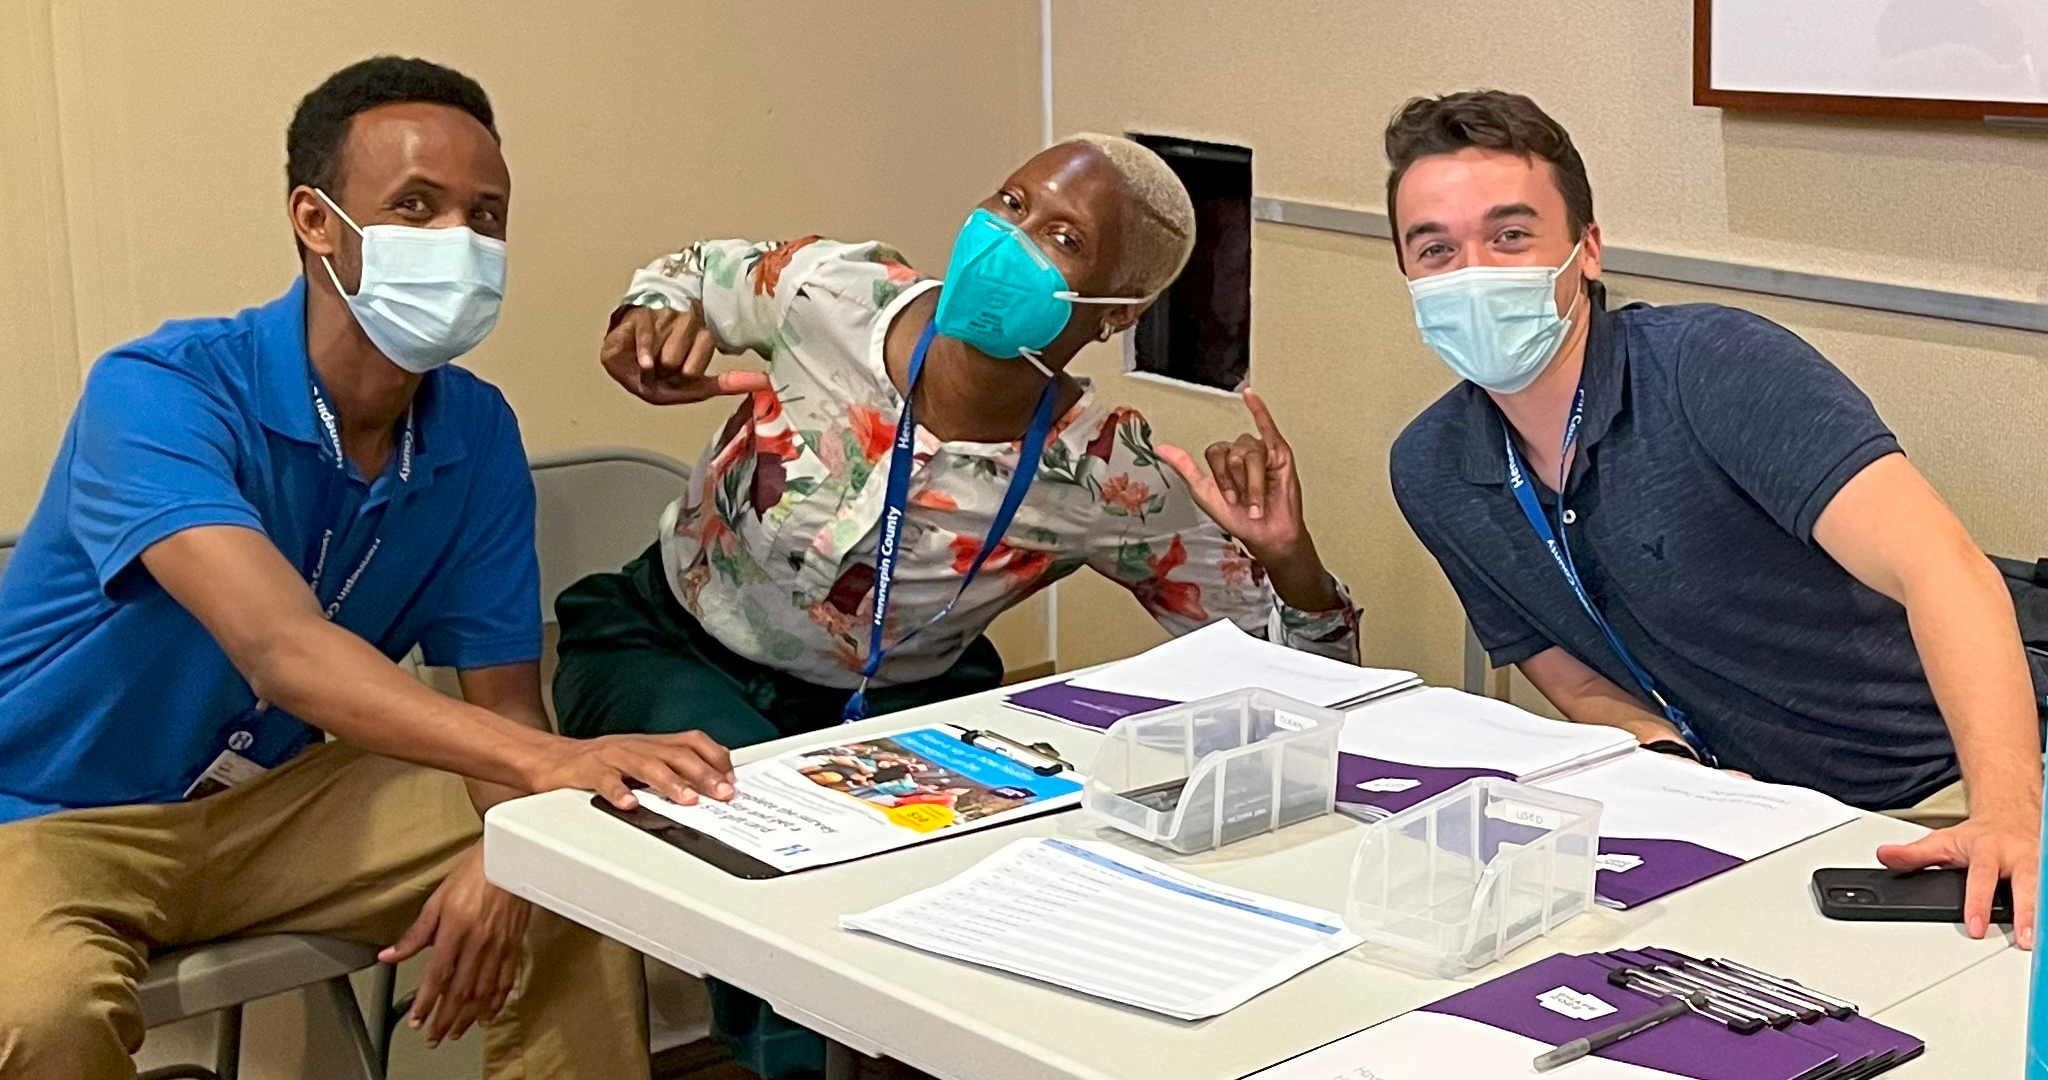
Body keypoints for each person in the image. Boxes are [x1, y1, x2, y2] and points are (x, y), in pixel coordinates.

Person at [557, 132, 1361, 1075]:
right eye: (1010, 204)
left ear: (1117, 310)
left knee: (954, 911)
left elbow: (1291, 684)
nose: (1008, 241)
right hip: (665, 647)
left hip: (891, 712)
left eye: (1062, 240)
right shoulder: (831, 293)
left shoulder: (1107, 475)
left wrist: (1292, 561)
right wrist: (646, 323)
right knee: (755, 830)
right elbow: (690, 275)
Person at [0, 57, 738, 1079]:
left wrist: (511, 847)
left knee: (576, 874)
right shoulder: (160, 390)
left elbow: (508, 714)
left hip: (280, 800)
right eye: (415, 207)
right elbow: (282, 652)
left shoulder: (472, 431)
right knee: (42, 1012)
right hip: (47, 815)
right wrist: (544, 773)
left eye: (486, 218)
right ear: (315, 220)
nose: (460, 244)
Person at [1358, 90, 2039, 944]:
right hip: (1767, 825)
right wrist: (1683, 775)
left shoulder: (1710, 365)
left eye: (1509, 236)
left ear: (1586, 250)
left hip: (1951, 786)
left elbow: (1946, 570)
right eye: (1436, 249)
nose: (1475, 275)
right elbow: (1569, 675)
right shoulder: (1431, 468)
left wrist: (2011, 814)